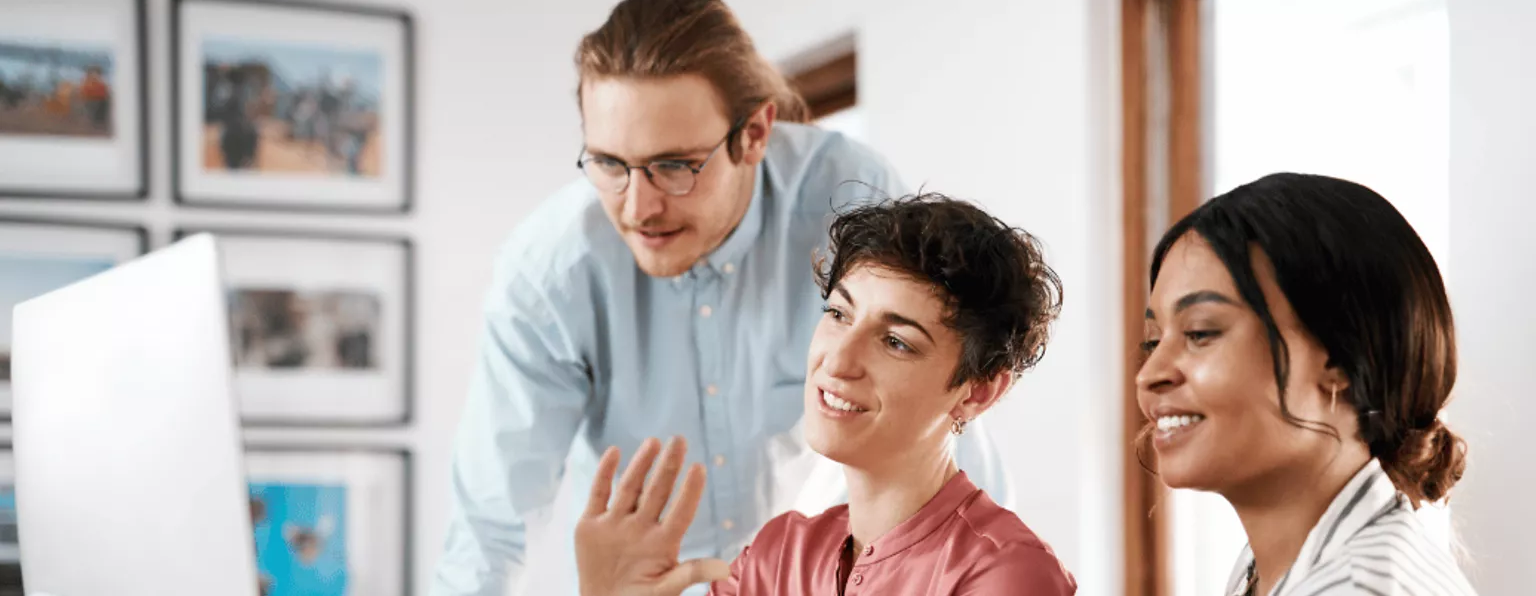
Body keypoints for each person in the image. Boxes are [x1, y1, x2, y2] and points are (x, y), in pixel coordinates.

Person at [431, 0, 1011, 596]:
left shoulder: (851, 200)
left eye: (675, 166)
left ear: (755, 131)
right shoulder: (549, 272)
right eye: (609, 164)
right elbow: (489, 532)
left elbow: (941, 411)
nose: (637, 209)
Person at [574, 194, 1076, 595]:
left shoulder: (1007, 575)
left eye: (896, 342)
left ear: (978, 391)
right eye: (838, 314)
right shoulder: (777, 556)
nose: (837, 360)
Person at [1136, 173, 1477, 595]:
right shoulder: (1268, 568)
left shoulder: (1356, 587)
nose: (1149, 375)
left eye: (1200, 332)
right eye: (1152, 342)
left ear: (1342, 357)